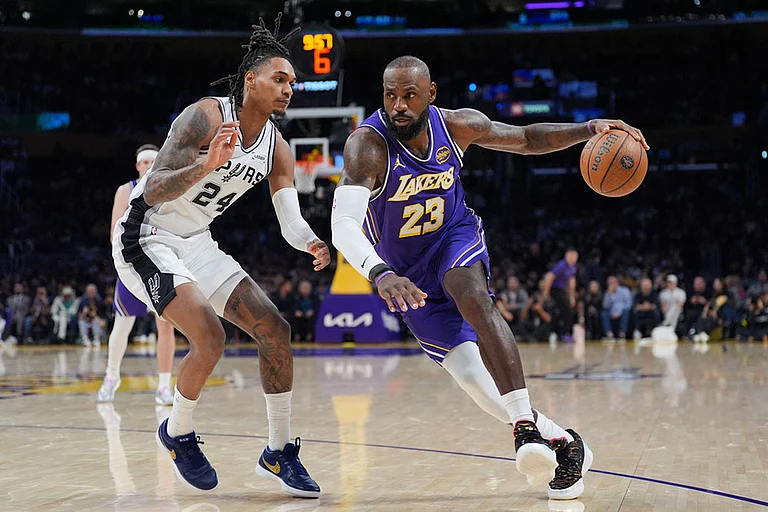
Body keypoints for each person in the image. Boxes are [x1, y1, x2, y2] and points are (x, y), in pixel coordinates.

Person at [331, 55, 647, 499]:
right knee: (473, 381)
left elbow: (527, 138)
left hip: (452, 237)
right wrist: (380, 272)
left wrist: (588, 128)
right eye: (390, 95)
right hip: (404, 272)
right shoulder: (367, 145)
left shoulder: (458, 126)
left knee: (471, 295)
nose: (398, 105)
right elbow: (342, 225)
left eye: (409, 95)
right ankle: (562, 439)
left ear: (430, 94)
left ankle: (524, 430)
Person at [111, 15, 330, 496]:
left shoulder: (278, 149)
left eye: (292, 83)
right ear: (250, 80)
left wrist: (310, 240)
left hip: (196, 241)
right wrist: (205, 164)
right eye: (279, 79)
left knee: (274, 328)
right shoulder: (205, 116)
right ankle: (177, 431)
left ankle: (278, 451)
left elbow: (289, 222)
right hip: (146, 235)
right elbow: (153, 189)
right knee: (210, 336)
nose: (288, 89)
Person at [97, 144, 177, 405]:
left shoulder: (170, 189)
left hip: (160, 265)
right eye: (144, 162)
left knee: (166, 325)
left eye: (153, 161)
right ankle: (111, 377)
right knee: (122, 325)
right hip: (132, 264)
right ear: (137, 166)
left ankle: (164, 385)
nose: (148, 166)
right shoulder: (126, 190)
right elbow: (114, 233)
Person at [542, 248, 579, 342]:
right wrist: (546, 293)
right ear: (566, 256)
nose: (573, 258)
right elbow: (549, 277)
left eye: (575, 256)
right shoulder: (561, 265)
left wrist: (572, 297)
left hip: (562, 290)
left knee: (565, 311)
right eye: (571, 256)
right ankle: (565, 333)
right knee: (567, 310)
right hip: (554, 289)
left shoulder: (573, 266)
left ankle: (561, 333)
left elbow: (571, 281)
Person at [600, 275, 632, 341]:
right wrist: (610, 294)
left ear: (617, 282)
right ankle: (609, 335)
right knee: (604, 313)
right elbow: (605, 306)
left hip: (622, 311)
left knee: (625, 311)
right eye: (609, 283)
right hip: (611, 313)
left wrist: (618, 313)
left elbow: (628, 304)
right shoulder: (607, 293)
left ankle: (622, 334)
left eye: (613, 282)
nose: (611, 284)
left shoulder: (624, 290)